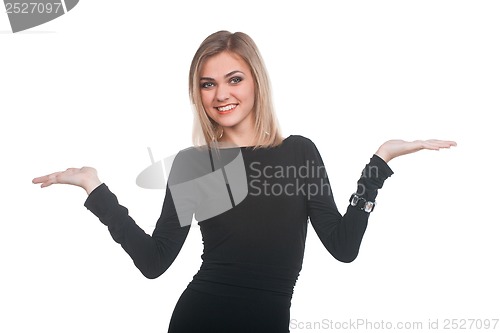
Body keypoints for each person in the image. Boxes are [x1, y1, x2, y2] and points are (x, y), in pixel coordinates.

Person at [32, 31, 456, 333]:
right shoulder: (195, 165)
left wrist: (377, 166)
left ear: (255, 82)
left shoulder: (298, 153)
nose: (221, 95)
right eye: (208, 84)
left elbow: (343, 248)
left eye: (234, 79)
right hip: (199, 319)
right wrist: (96, 190)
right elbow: (154, 261)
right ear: (198, 94)